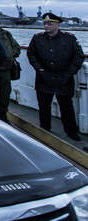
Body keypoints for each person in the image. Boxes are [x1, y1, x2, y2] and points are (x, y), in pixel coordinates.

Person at [27, 13, 84, 141]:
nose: (46, 26)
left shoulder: (69, 39)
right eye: (45, 24)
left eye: (50, 24)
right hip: (44, 78)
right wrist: (40, 69)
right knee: (44, 106)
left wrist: (69, 73)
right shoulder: (37, 38)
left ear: (58, 25)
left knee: (66, 107)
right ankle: (44, 129)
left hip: (63, 78)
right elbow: (31, 54)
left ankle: (71, 131)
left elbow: (78, 57)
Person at [0, 15, 21, 122]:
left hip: (5, 70)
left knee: (4, 94)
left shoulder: (6, 35)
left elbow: (16, 48)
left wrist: (9, 55)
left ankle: (3, 115)